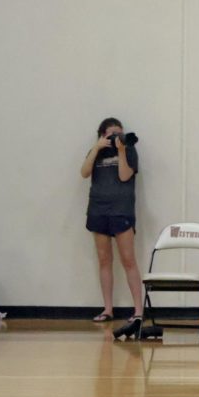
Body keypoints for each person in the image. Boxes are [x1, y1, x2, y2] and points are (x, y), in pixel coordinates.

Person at [80, 118, 142, 325]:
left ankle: (138, 310)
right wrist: (96, 148)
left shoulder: (129, 150)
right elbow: (84, 172)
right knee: (104, 260)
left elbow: (125, 176)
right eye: (112, 134)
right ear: (102, 135)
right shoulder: (95, 151)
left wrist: (122, 150)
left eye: (119, 133)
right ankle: (108, 309)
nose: (116, 137)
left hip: (121, 211)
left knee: (128, 259)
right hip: (98, 210)